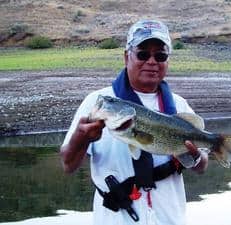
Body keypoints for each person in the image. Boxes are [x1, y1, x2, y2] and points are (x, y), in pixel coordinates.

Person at [60, 19, 208, 225]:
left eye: (160, 55)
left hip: (170, 219)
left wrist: (194, 158)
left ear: (167, 60)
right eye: (142, 54)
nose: (152, 61)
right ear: (126, 56)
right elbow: (68, 165)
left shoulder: (179, 105)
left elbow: (201, 166)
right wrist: (81, 138)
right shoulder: (99, 102)